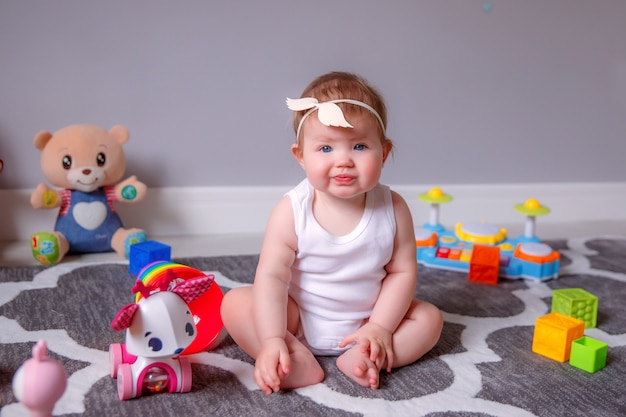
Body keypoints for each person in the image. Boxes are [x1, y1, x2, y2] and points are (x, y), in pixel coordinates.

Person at [221, 71, 443, 394]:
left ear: (383, 151)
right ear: (300, 156)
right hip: (296, 321)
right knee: (235, 303)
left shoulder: (393, 209)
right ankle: (290, 357)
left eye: (359, 146)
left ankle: (365, 356)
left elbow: (402, 272)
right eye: (326, 149)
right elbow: (271, 277)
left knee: (429, 320)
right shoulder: (291, 210)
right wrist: (271, 337)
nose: (343, 161)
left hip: (369, 321)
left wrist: (380, 327)